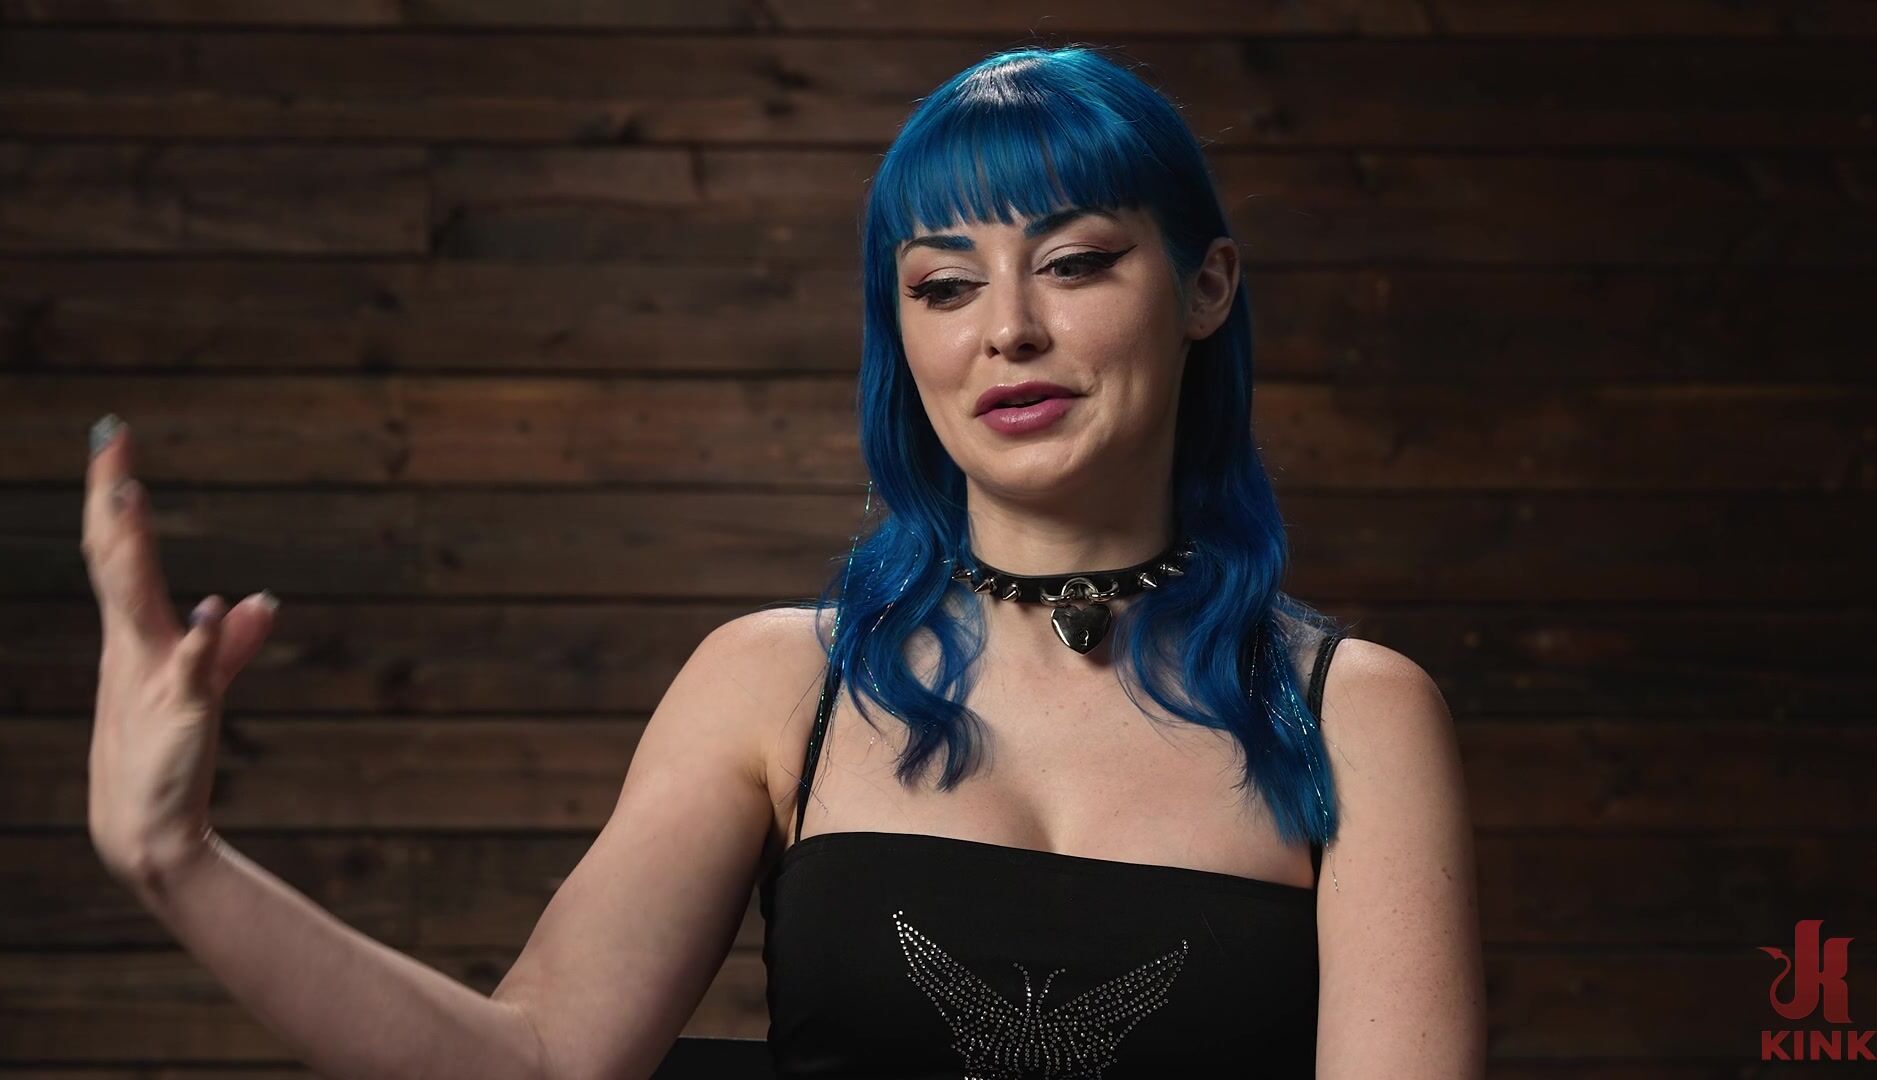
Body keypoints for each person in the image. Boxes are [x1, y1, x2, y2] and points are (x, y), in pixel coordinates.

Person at [80, 44, 1485, 1080]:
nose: (1006, 329)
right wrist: (179, 861)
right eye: (943, 284)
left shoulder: (1356, 711)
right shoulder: (776, 685)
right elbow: (536, 1062)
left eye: (1073, 262)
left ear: (1204, 287)